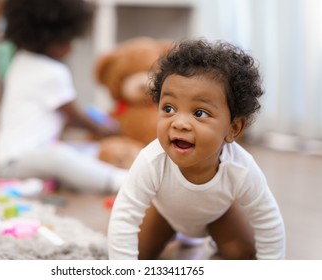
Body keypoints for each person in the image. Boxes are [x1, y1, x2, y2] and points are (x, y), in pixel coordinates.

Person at [108, 39, 285, 259]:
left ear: (233, 128)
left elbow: (268, 222)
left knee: (244, 255)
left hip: (218, 216)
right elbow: (124, 216)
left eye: (199, 113)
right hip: (165, 215)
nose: (179, 123)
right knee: (139, 254)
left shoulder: (241, 168)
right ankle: (179, 241)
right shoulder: (151, 161)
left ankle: (209, 244)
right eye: (169, 108)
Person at [0, 0, 127, 193]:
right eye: (67, 41)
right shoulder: (52, 72)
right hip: (18, 161)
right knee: (60, 156)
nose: (71, 47)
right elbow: (73, 116)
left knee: (81, 151)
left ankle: (48, 183)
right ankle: (119, 180)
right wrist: (103, 128)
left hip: (7, 159)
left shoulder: (20, 61)